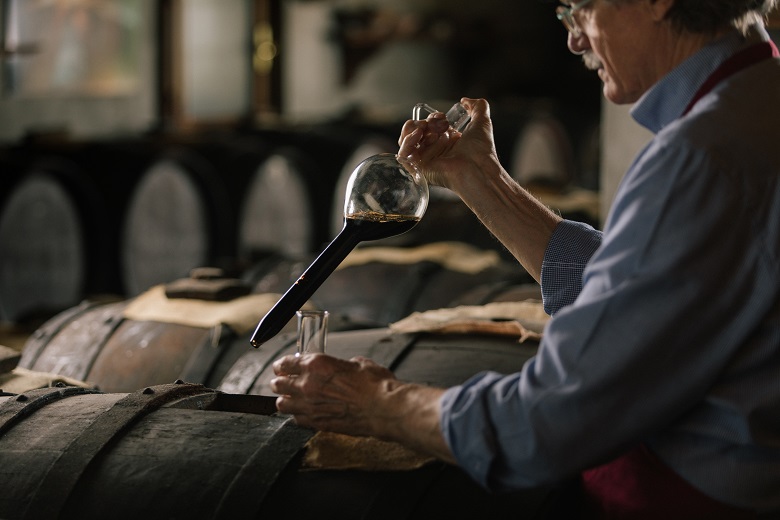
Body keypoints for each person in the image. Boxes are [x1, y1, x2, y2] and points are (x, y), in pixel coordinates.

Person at [271, 0, 780, 517]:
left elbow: (551, 421)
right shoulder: (758, 104)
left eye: (579, 10)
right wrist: (480, 179)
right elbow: (648, 299)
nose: (574, 40)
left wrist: (379, 402)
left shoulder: (701, 157)